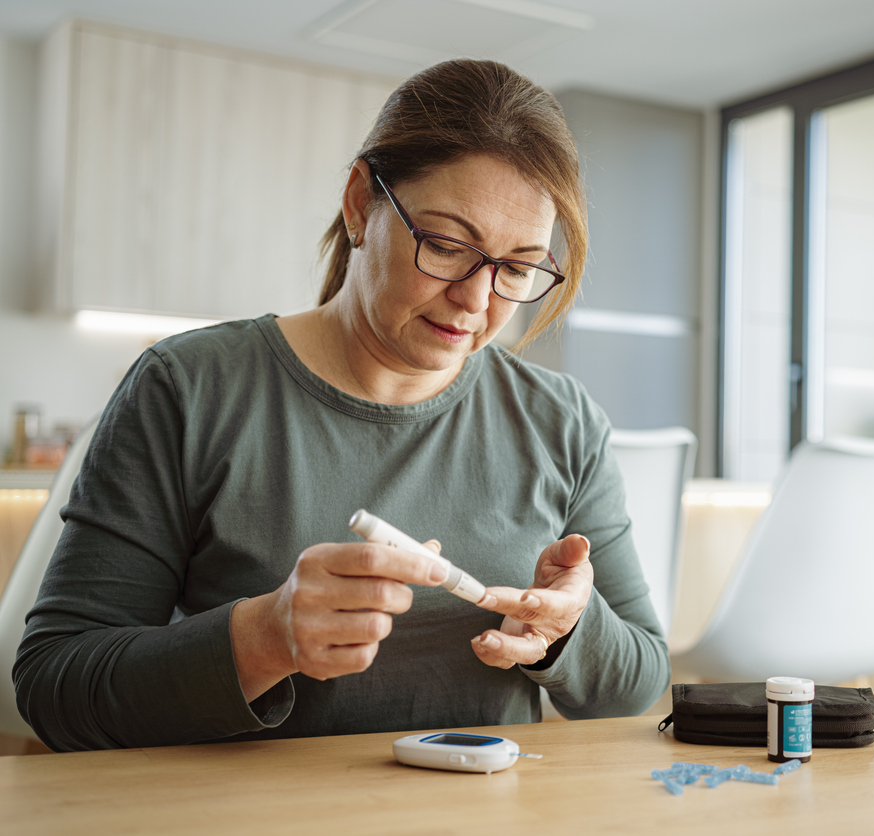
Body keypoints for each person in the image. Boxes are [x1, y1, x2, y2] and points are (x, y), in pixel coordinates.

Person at [14, 59, 670, 752]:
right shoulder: (187, 387)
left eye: (515, 269)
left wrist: (565, 632)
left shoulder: (559, 420)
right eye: (446, 246)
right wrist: (264, 640)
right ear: (361, 202)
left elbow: (638, 683)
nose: (477, 302)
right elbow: (55, 688)